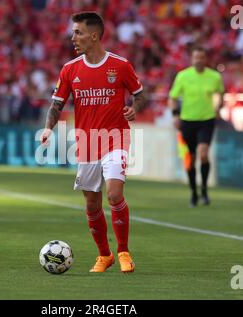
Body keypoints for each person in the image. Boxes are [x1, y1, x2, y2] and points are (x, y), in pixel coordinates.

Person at [40, 12, 146, 273]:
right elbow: (57, 104)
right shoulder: (70, 69)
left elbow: (140, 95)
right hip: (86, 142)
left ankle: (123, 251)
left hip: (115, 138)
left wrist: (134, 108)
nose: (73, 37)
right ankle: (104, 255)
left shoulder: (120, 66)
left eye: (78, 32)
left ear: (94, 36)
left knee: (114, 194)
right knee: (91, 202)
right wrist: (47, 128)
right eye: (73, 32)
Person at [168, 46, 224, 207]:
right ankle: (194, 192)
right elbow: (173, 97)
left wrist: (218, 106)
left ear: (206, 59)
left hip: (207, 120)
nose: (199, 60)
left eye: (202, 57)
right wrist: (175, 115)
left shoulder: (214, 77)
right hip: (187, 121)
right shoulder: (183, 76)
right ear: (192, 60)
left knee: (203, 153)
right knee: (190, 159)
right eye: (196, 58)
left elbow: (220, 94)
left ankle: (204, 190)